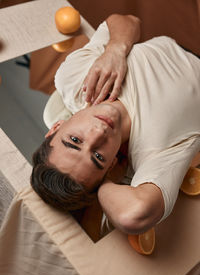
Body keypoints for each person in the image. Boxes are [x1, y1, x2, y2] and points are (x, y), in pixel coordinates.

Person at [31, 14, 200, 235]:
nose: (98, 133)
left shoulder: (75, 81)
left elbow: (128, 20)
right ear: (112, 166)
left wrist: (115, 50)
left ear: (56, 128)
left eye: (74, 140)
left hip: (178, 31)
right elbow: (133, 215)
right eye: (98, 157)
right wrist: (105, 183)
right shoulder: (153, 156)